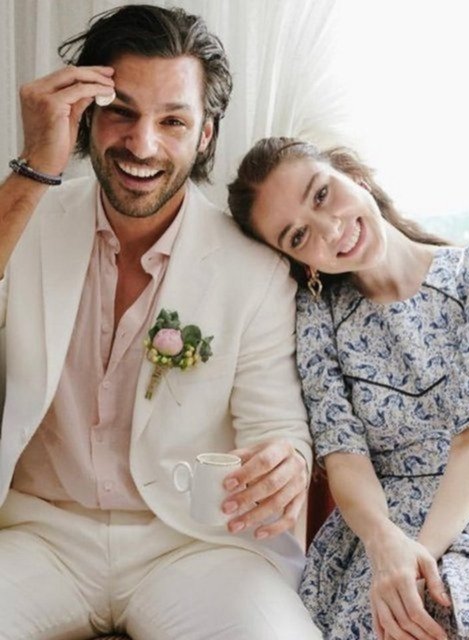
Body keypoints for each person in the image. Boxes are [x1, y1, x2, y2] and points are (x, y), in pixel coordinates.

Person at [0, 7, 323, 639]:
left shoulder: (256, 269)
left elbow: (277, 428)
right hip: (38, 534)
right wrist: (36, 164)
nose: (142, 145)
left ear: (205, 135)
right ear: (87, 115)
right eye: (121, 111)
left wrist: (286, 460)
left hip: (195, 546)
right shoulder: (23, 218)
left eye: (172, 120)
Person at [227, 136, 469, 640]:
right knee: (393, 621)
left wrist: (419, 559)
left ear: (352, 174)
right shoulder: (320, 322)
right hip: (383, 524)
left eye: (322, 194)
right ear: (302, 262)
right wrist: (386, 545)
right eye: (298, 236)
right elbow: (345, 457)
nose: (330, 228)